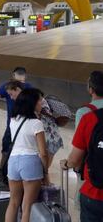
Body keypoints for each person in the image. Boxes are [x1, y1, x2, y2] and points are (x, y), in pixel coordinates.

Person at [60, 71, 103, 222]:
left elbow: (79, 153)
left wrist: (68, 163)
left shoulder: (85, 113)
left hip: (93, 185)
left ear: (90, 89)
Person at [4, 88, 48, 222]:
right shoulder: (36, 124)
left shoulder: (13, 120)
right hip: (30, 162)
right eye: (39, 101)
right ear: (32, 104)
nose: (42, 104)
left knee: (13, 202)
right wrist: (45, 172)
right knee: (28, 205)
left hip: (13, 162)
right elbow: (43, 153)